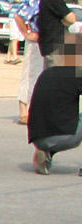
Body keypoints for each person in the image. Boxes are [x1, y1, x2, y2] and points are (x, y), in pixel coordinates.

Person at [27, 42, 82, 174]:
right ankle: (48, 150)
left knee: (59, 118)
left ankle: (46, 153)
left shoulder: (46, 73)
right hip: (63, 138)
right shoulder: (77, 74)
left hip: (36, 137)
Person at [13, 0, 49, 124]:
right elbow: (18, 16)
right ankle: (24, 111)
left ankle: (38, 110)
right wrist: (26, 33)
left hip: (48, 41)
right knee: (30, 75)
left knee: (43, 76)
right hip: (35, 41)